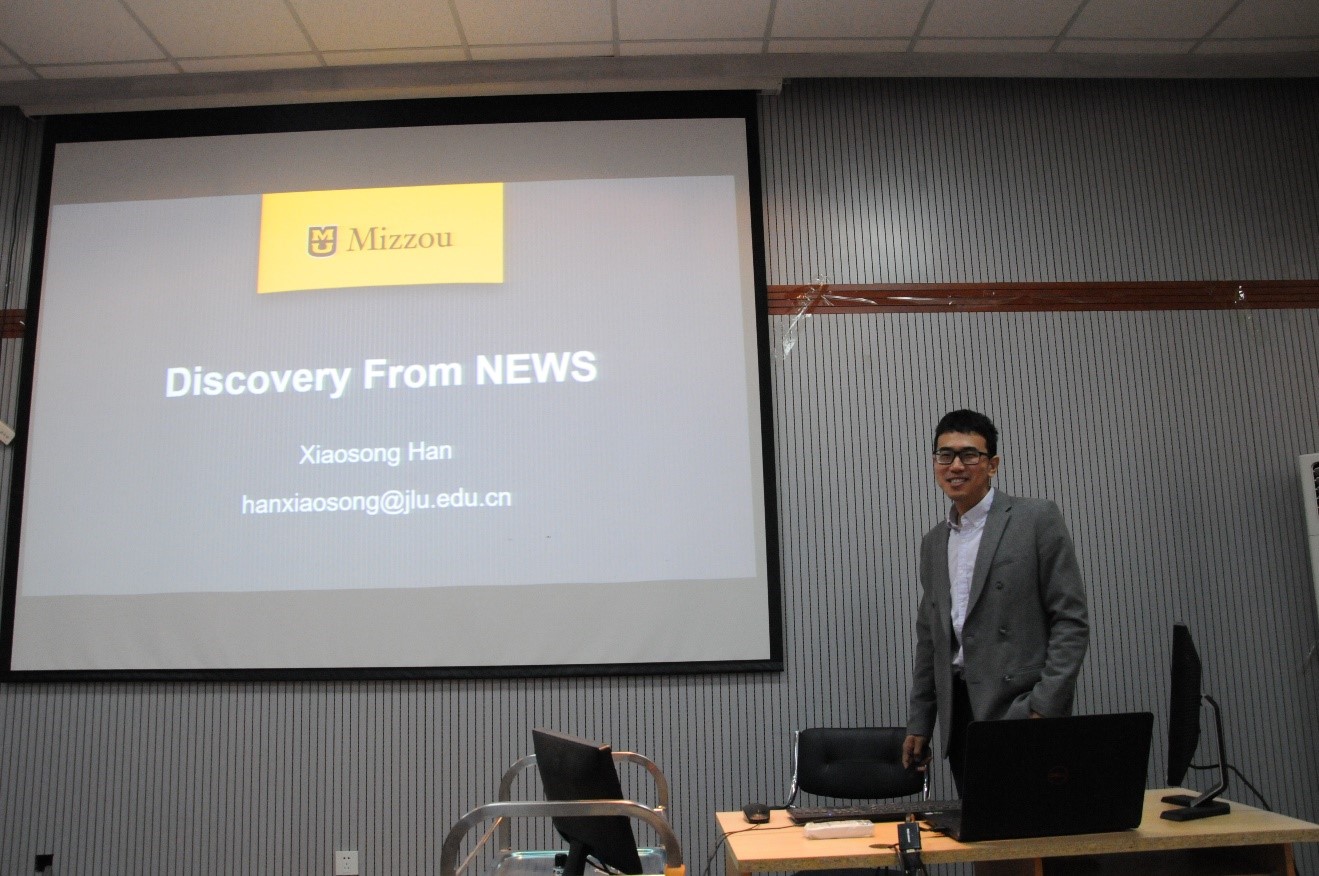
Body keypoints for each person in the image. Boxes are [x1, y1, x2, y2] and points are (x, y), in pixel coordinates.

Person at [901, 409, 1089, 792]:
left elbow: (1070, 620)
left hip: (1019, 709)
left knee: (1029, 824)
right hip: (960, 713)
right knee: (976, 823)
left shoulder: (1035, 519)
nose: (956, 466)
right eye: (945, 455)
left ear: (993, 465)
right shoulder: (934, 542)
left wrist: (1044, 706)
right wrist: (920, 721)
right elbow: (931, 641)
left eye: (969, 454)